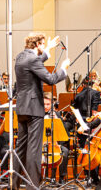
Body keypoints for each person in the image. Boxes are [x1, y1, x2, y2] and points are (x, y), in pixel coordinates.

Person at [14, 33, 69, 189]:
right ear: (37, 44)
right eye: (43, 44)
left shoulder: (20, 57)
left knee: (21, 148)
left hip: (22, 108)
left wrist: (49, 48)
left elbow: (34, 62)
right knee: (34, 150)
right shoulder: (33, 59)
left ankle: (14, 184)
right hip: (34, 108)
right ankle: (32, 186)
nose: (44, 46)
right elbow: (50, 80)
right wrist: (63, 70)